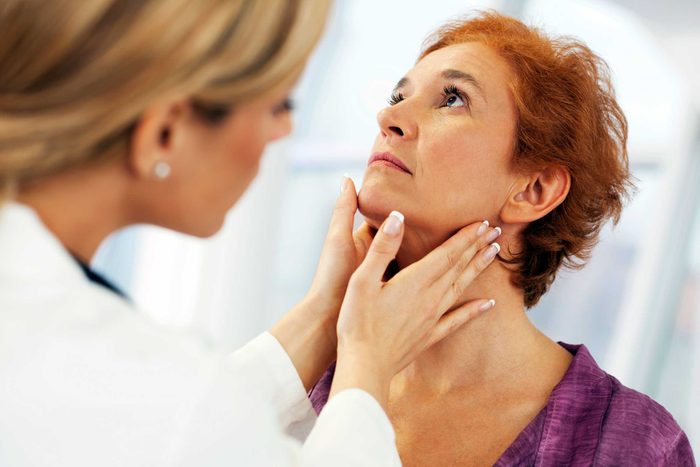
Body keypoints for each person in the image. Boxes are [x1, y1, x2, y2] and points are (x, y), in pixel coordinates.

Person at [0, 1, 504, 465]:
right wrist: (367, 364)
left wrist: (326, 316)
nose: (283, 131)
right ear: (164, 132)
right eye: (279, 104)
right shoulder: (149, 389)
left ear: (538, 188)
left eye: (453, 98)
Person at [309, 11, 696, 466]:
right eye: (398, 95)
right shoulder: (307, 389)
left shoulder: (632, 446)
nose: (388, 115)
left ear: (535, 190)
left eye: (452, 99)